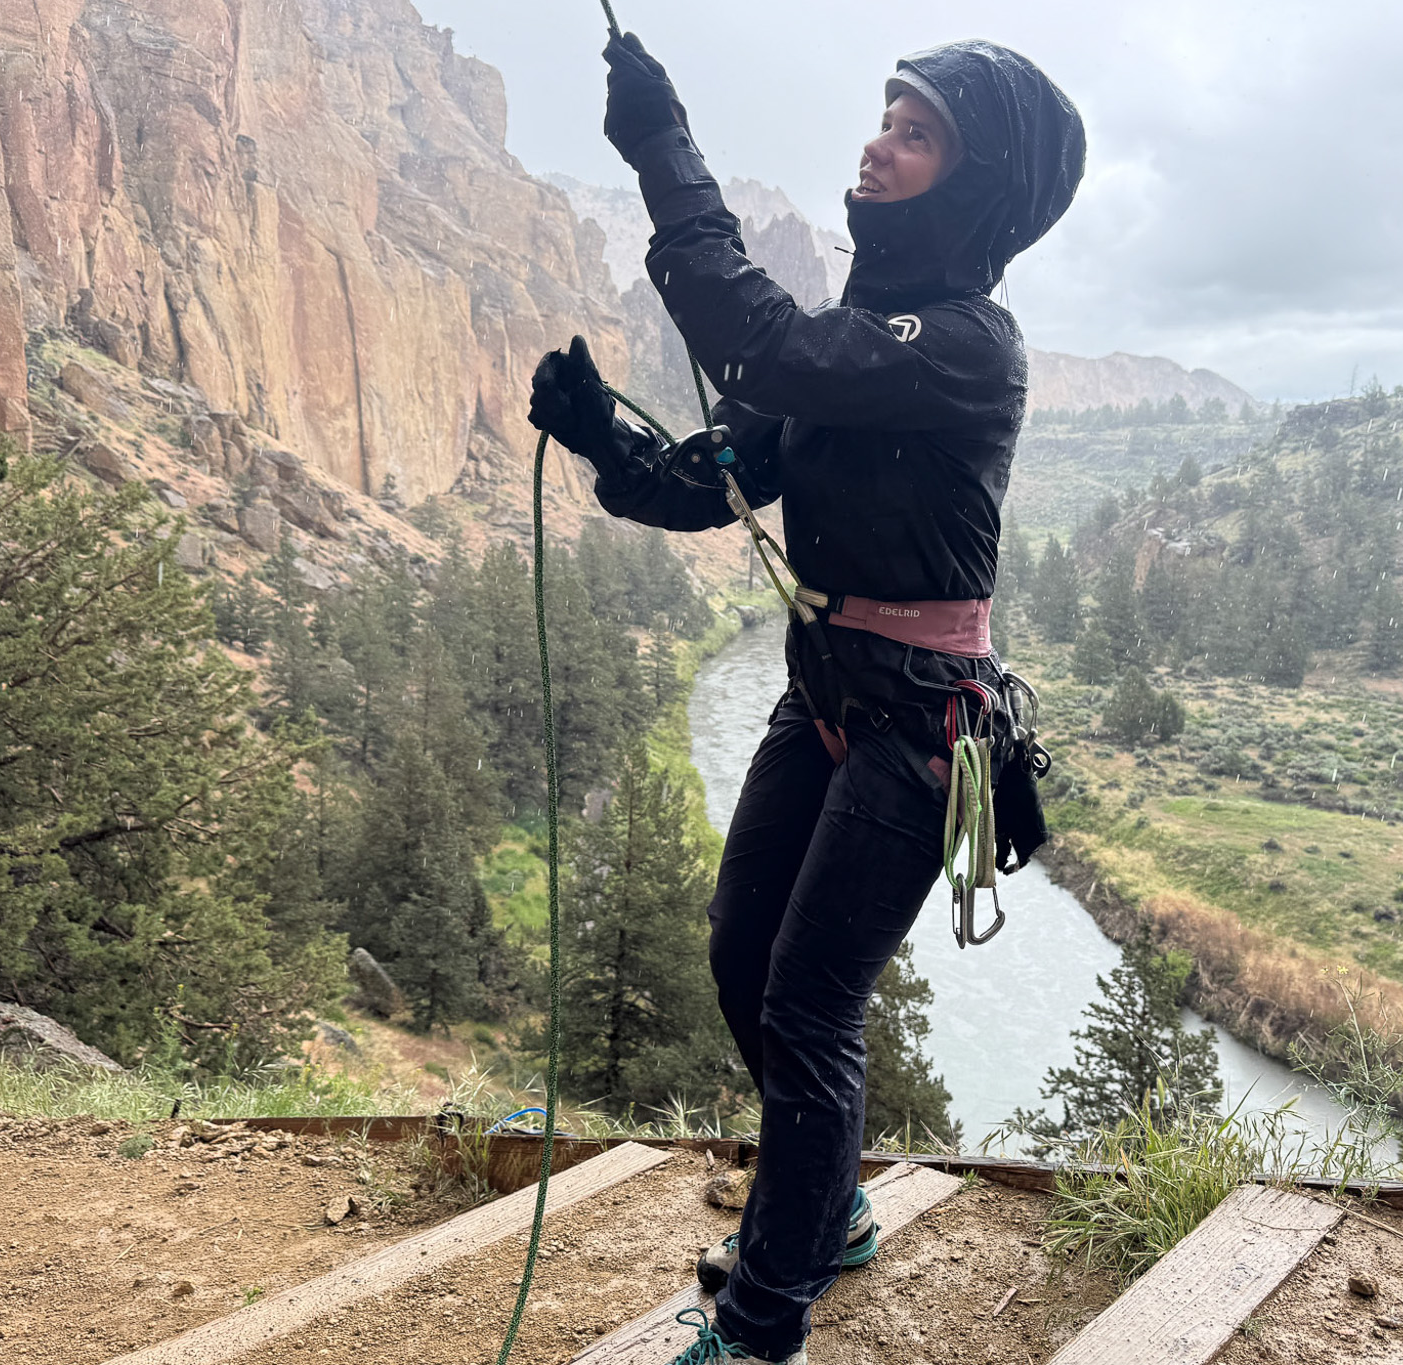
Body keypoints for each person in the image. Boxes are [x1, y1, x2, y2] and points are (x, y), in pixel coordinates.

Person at [530, 30, 1082, 1365]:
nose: (878, 142)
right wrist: (604, 432)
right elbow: (713, 478)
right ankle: (823, 1208)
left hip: (918, 727)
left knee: (810, 1000)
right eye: (883, 115)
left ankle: (766, 1317)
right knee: (743, 954)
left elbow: (762, 346)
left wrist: (663, 146)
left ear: (974, 185)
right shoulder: (854, 347)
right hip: (827, 692)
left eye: (918, 131)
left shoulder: (963, 346)